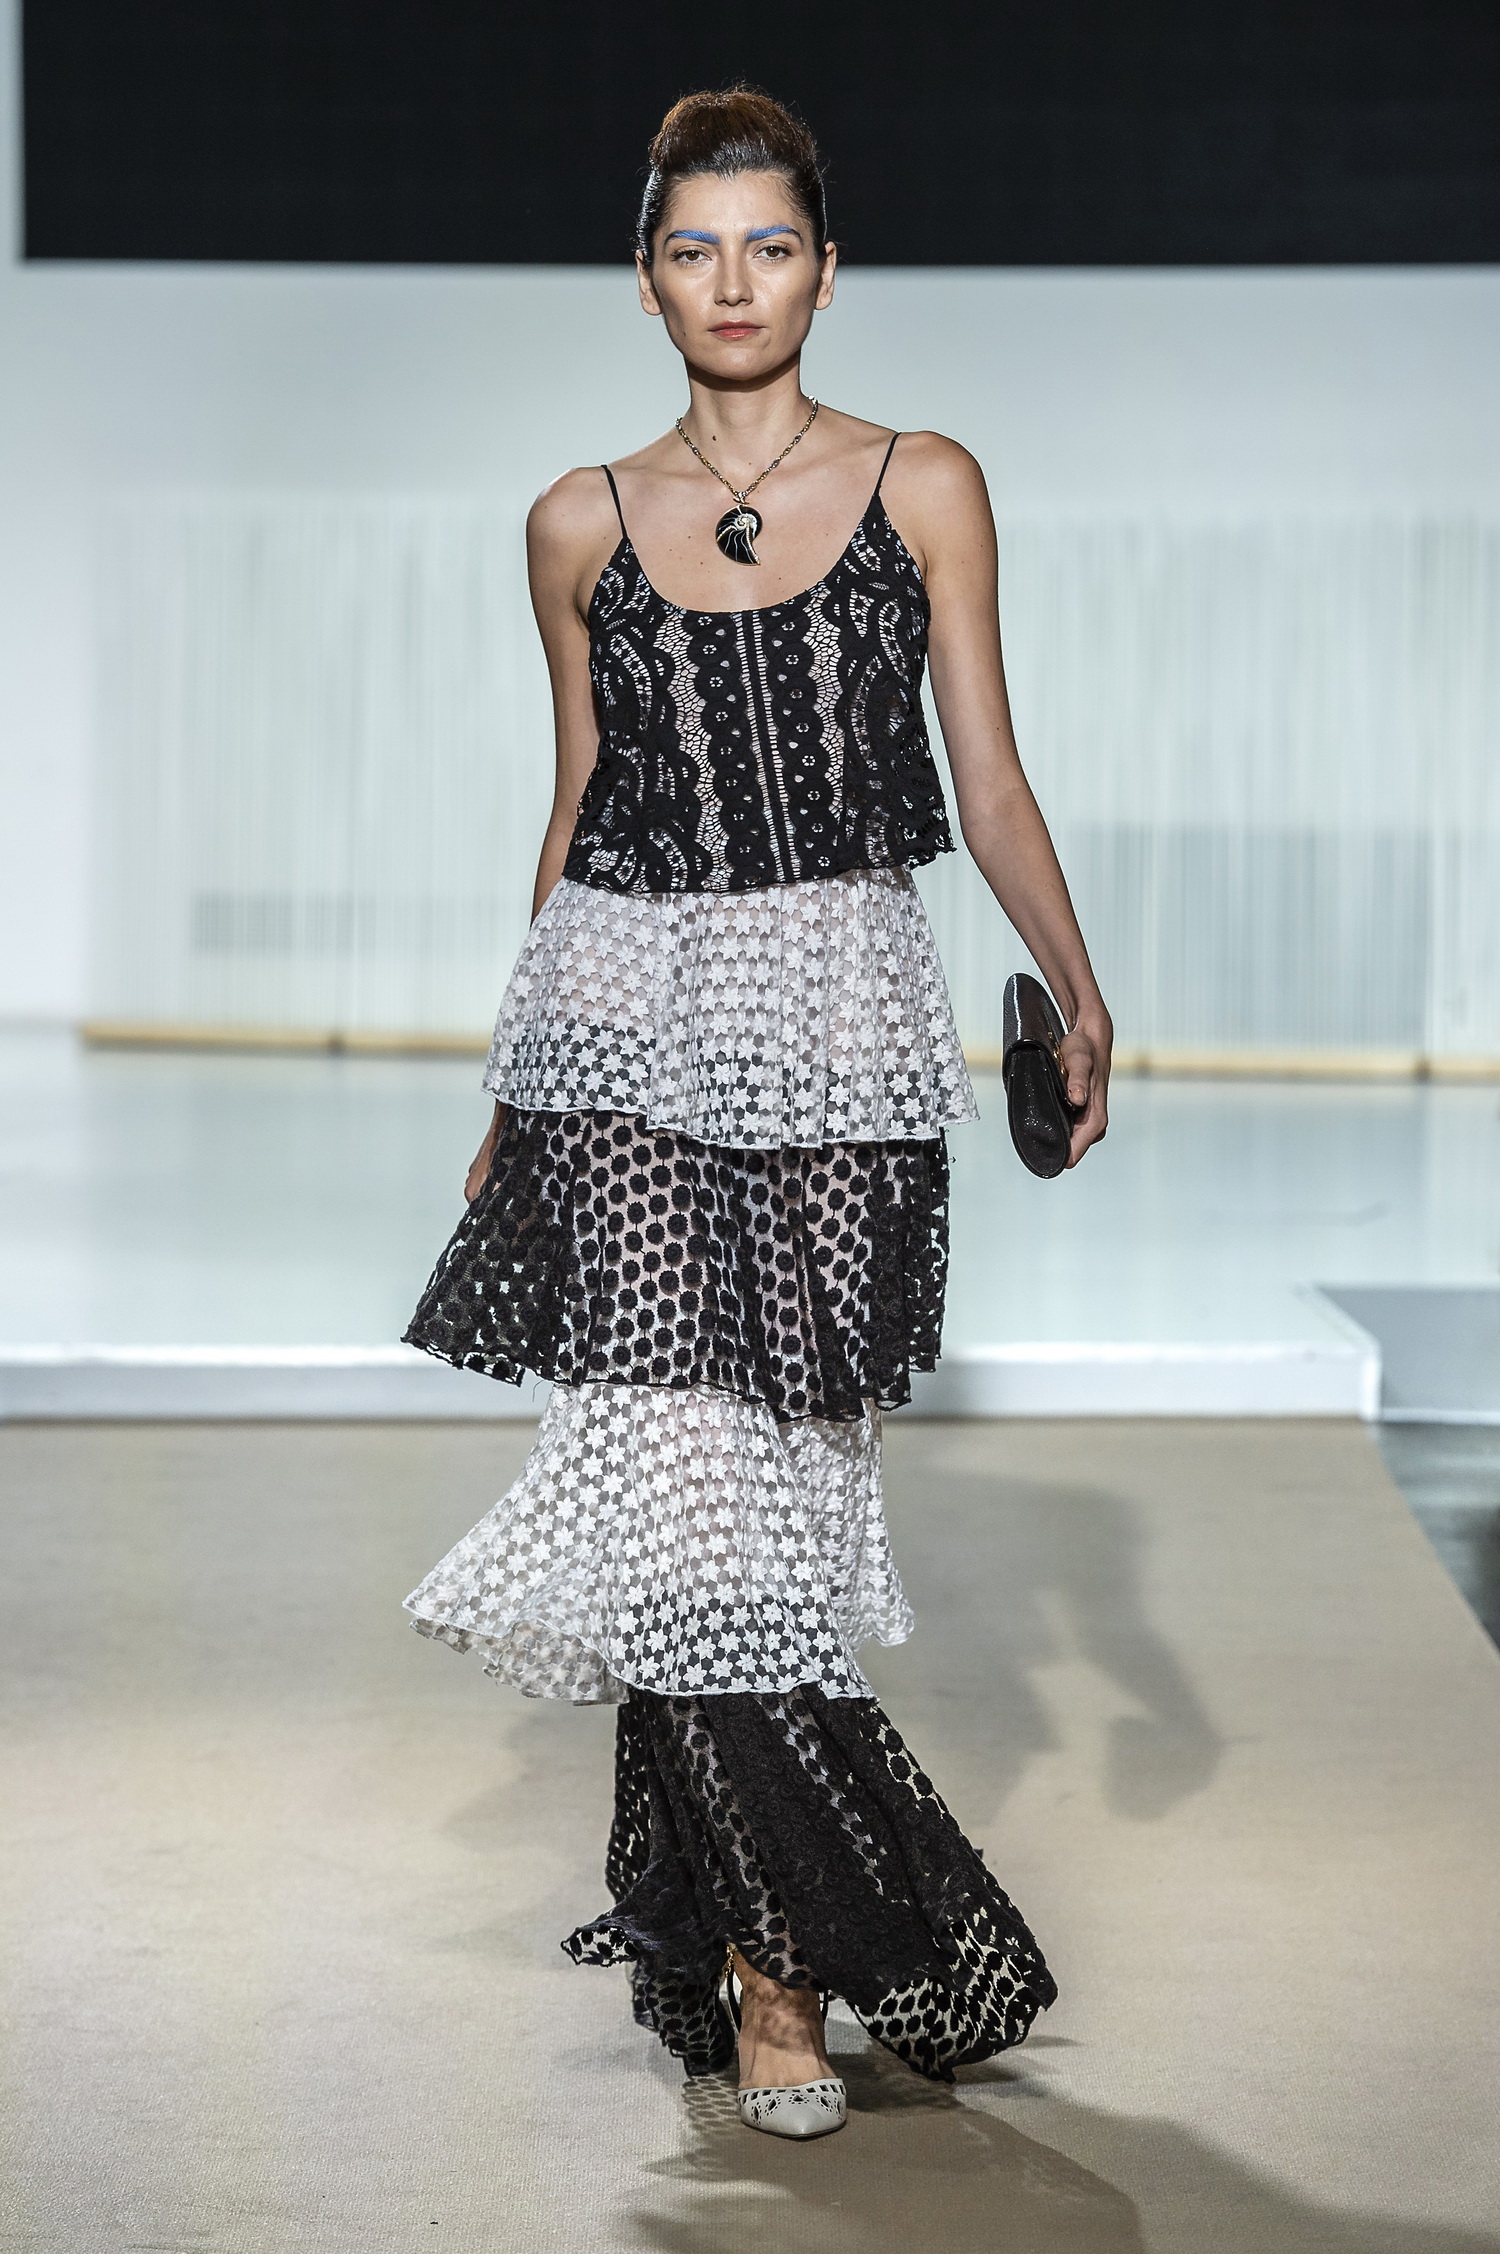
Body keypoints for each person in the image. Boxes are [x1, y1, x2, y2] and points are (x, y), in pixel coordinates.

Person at [402, 85, 1111, 2141]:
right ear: (646, 278)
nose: (735, 282)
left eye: (771, 245)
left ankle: (704, 1901)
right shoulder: (576, 521)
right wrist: (517, 1079)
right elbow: (578, 807)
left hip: (844, 1034)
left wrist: (1078, 985)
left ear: (826, 268)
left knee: (782, 1504)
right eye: (695, 247)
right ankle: (783, 1983)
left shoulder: (923, 483)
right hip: (620, 1028)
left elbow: (986, 774)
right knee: (676, 1490)